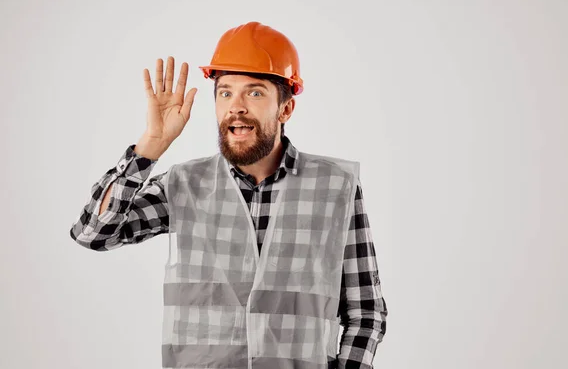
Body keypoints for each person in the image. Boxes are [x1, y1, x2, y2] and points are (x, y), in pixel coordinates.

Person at [70, 21, 387, 369]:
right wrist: (150, 147)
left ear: (285, 109)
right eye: (225, 92)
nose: (236, 107)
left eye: (254, 92)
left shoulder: (335, 187)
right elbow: (93, 234)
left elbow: (365, 314)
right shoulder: (183, 185)